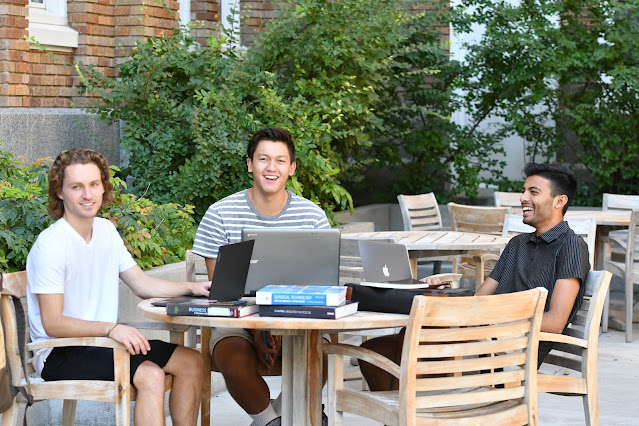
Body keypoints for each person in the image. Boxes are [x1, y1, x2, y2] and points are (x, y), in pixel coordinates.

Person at [359, 163, 590, 391]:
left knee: (408, 343)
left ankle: (407, 414)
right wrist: (444, 290)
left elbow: (556, 322)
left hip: (515, 345)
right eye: (523, 191)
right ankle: (399, 416)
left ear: (560, 201)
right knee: (374, 350)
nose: (523, 198)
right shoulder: (518, 244)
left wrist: (495, 317)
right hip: (485, 335)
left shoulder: (570, 246)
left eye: (534, 192)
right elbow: (479, 297)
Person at [26, 149, 210, 425]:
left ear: (103, 187)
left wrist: (191, 288)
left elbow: (141, 283)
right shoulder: (51, 245)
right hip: (59, 352)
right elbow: (54, 323)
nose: (87, 195)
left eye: (94, 184)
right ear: (60, 192)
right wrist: (112, 328)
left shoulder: (105, 231)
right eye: (77, 187)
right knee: (150, 374)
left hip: (104, 344)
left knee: (191, 362)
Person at [192, 127, 330, 426]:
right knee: (232, 354)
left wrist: (278, 328)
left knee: (326, 351)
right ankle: (271, 420)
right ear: (250, 164)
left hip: (299, 318)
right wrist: (258, 328)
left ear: (291, 168)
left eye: (280, 161)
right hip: (238, 319)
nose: (272, 168)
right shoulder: (221, 214)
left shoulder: (312, 216)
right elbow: (223, 290)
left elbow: (319, 286)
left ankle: (281, 415)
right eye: (263, 159)